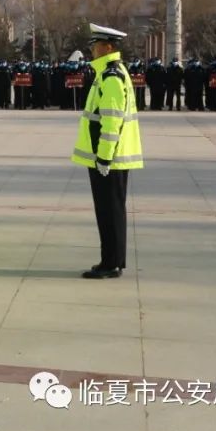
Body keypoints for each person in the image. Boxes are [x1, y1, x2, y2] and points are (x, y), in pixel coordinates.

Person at [71, 24, 143, 279]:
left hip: (109, 159)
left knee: (109, 211)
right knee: (110, 211)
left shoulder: (111, 76)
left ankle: (111, 263)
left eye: (96, 45)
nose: (92, 50)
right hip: (109, 157)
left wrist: (104, 156)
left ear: (108, 47)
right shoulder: (108, 73)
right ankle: (112, 260)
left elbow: (111, 121)